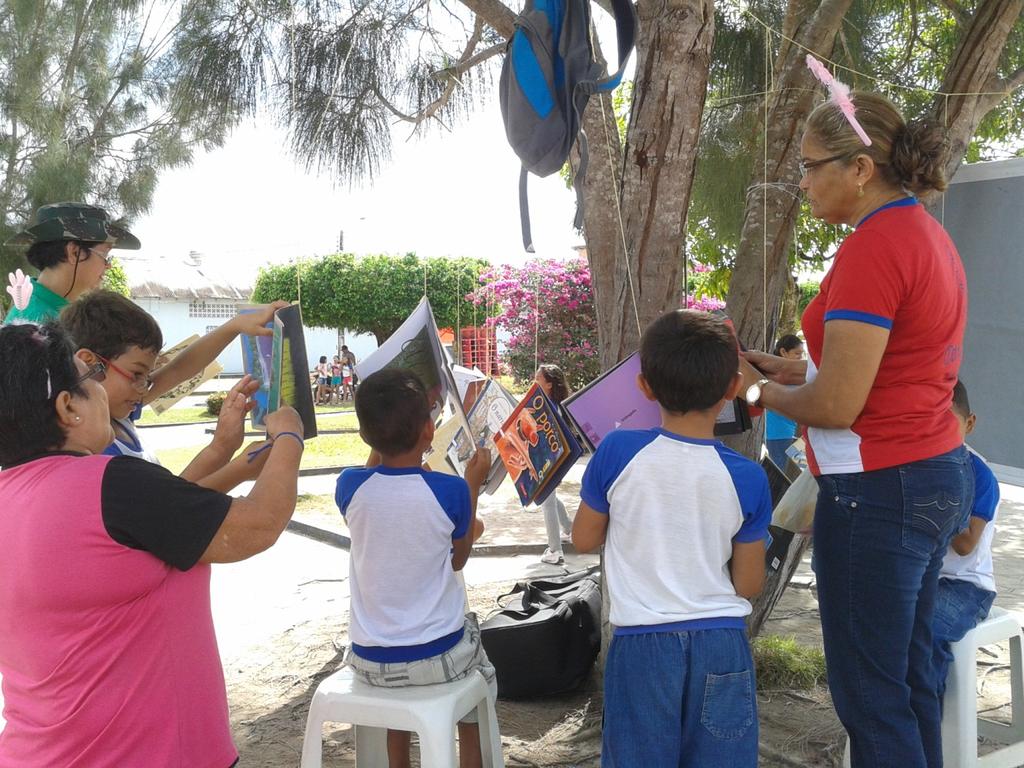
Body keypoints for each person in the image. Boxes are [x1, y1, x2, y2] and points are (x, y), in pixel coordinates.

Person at [740, 90, 971, 767]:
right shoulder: (922, 231)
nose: (803, 183)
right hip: (928, 472)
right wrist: (790, 373)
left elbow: (840, 405)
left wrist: (750, 391)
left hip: (879, 492)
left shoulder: (876, 247)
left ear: (862, 168)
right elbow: (887, 369)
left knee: (871, 698)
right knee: (906, 685)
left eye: (812, 167)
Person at [0, 321, 305, 767]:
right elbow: (257, 527)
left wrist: (225, 452)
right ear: (68, 407)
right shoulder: (112, 485)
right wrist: (291, 438)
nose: (103, 392)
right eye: (91, 382)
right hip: (150, 753)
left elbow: (164, 519)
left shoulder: (16, 496)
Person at [573, 309, 771, 767]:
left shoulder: (618, 452)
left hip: (643, 645)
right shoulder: (747, 477)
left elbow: (584, 538)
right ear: (730, 389)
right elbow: (748, 585)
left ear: (643, 387)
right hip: (722, 643)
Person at [335, 368, 494, 768]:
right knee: (480, 678)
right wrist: (472, 482)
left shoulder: (349, 487)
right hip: (437, 657)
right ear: (429, 430)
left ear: (364, 435)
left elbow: (376, 475)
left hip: (370, 661)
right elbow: (459, 558)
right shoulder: (450, 490)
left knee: (398, 699)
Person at [59, 290, 282, 489]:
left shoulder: (118, 415)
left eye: (146, 376)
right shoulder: (94, 452)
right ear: (89, 363)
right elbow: (167, 510)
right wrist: (239, 469)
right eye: (137, 374)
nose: (143, 388)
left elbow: (177, 370)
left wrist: (235, 326)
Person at [932, 380, 999, 703]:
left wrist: (935, 497)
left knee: (926, 634)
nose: (936, 437)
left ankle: (925, 720)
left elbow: (966, 544)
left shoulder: (979, 474)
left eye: (946, 425)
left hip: (965, 586)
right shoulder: (917, 465)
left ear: (969, 423)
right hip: (921, 577)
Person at [3, 202, 140, 324]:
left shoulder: (57, 311)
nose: (108, 265)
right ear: (75, 253)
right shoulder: (33, 324)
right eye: (105, 254)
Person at [533, 364, 574, 564]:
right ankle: (569, 528)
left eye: (538, 379)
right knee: (551, 497)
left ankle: (555, 550)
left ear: (548, 384)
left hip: (550, 461)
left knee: (547, 502)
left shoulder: (548, 406)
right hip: (551, 461)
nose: (535, 382)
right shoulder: (549, 404)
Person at [764, 334, 804, 470]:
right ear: (783, 352)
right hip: (778, 434)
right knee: (781, 472)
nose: (800, 357)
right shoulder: (775, 376)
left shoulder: (795, 377)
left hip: (792, 434)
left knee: (795, 471)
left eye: (801, 354)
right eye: (797, 353)